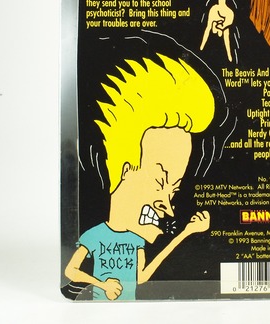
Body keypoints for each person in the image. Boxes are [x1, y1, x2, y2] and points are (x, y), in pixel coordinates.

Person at [64, 54, 215, 300]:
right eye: (159, 182)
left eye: (174, 191)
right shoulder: (93, 235)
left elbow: (142, 277)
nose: (168, 208)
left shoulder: (137, 240)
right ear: (126, 170)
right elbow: (70, 271)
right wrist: (101, 284)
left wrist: (187, 232)